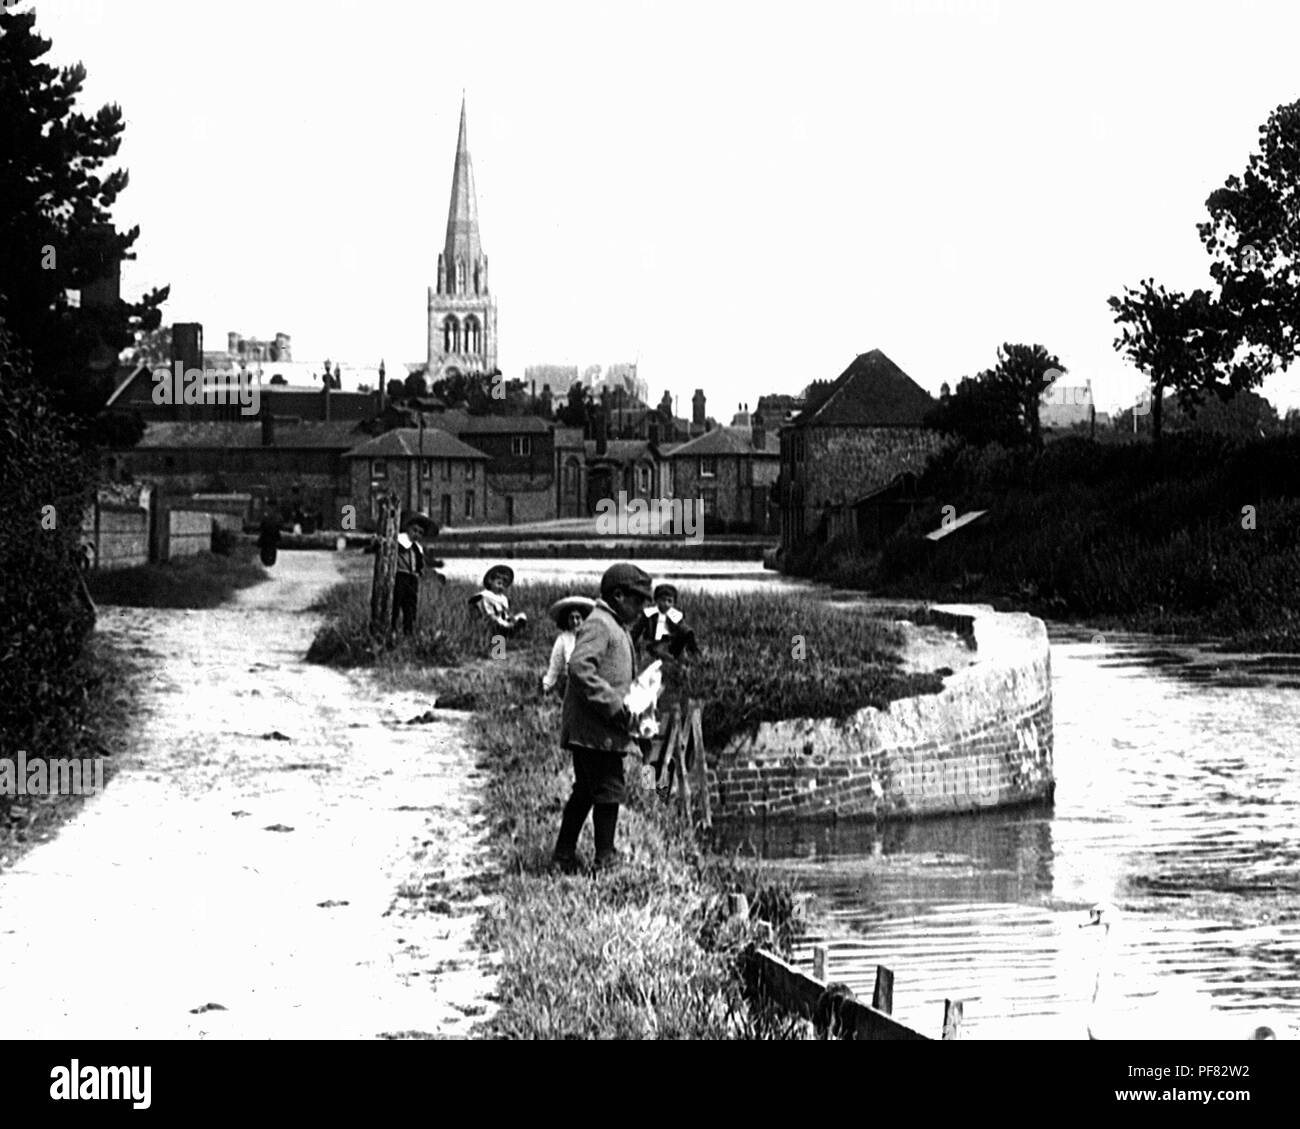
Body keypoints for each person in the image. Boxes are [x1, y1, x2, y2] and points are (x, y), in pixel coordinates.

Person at [552, 562, 653, 874]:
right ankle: (605, 858)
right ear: (619, 596)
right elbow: (580, 668)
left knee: (585, 791)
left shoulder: (615, 626)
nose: (640, 609)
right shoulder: (600, 625)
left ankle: (564, 855)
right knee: (609, 790)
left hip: (598, 729)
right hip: (595, 730)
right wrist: (614, 705)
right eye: (637, 601)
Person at [630, 583, 700, 662]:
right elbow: (637, 630)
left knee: (687, 631)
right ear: (656, 600)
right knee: (661, 653)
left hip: (670, 642)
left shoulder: (675, 615)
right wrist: (631, 641)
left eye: (669, 601)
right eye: (663, 600)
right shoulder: (649, 614)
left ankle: (694, 655)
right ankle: (670, 658)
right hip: (654, 643)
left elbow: (681, 631)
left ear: (673, 603)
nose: (666, 604)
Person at [392, 512, 435, 637]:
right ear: (407, 528)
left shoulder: (417, 548)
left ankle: (408, 632)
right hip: (400, 576)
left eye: (420, 533)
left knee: (410, 606)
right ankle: (392, 630)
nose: (416, 534)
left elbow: (419, 563)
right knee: (396, 603)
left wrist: (420, 571)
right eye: (414, 530)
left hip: (412, 578)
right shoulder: (399, 541)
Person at [542, 596, 595, 695]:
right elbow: (555, 666)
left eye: (578, 618)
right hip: (572, 685)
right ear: (567, 620)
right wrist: (547, 686)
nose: (575, 622)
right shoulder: (563, 639)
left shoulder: (592, 637)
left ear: (584, 618)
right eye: (571, 618)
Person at [468, 564, 528, 635]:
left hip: (504, 618)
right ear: (490, 581)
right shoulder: (485, 594)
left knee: (522, 616)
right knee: (497, 622)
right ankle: (503, 630)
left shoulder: (504, 598)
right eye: (499, 583)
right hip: (491, 619)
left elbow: (506, 611)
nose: (501, 587)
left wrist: (511, 618)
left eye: (504, 585)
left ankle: (512, 629)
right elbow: (474, 604)